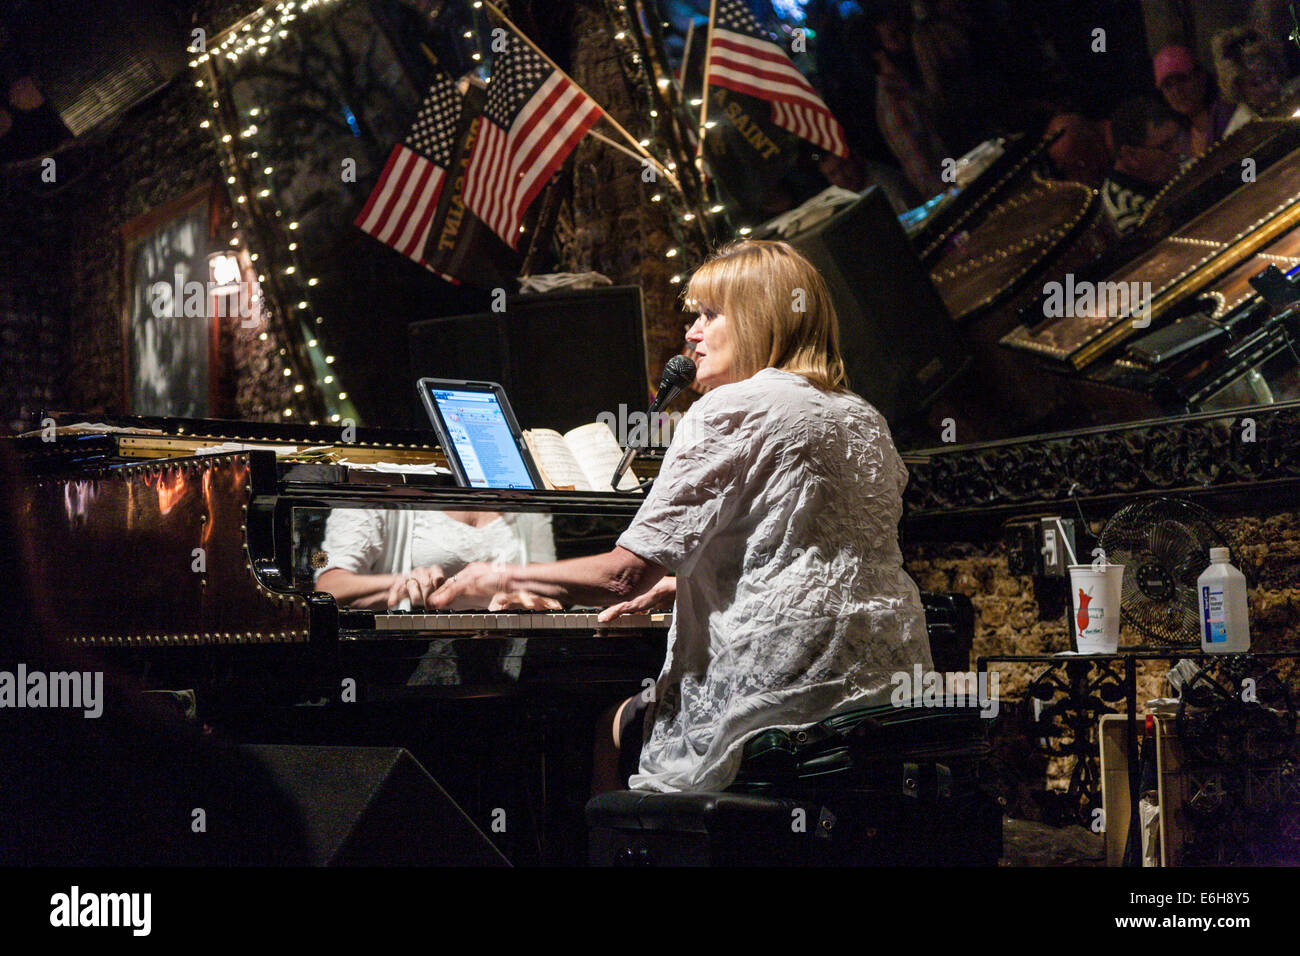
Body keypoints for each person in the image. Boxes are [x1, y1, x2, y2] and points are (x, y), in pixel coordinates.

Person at [426, 240, 934, 794]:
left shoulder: (733, 406)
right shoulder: (863, 417)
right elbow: (802, 546)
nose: (690, 333)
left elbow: (620, 576)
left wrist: (498, 575)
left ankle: (633, 842)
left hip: (783, 692)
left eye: (709, 315)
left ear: (763, 318)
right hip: (884, 686)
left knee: (609, 726)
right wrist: (684, 579)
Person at [315, 508, 558, 610]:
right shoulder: (377, 494)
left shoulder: (529, 504)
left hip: (509, 646)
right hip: (406, 652)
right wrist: (403, 582)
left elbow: (546, 584)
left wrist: (528, 598)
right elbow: (329, 588)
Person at [1101, 96, 1183, 238]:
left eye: (1177, 139)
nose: (1177, 151)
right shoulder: (1122, 212)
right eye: (1165, 146)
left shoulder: (1172, 167)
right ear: (1130, 155)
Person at [1212, 26, 1298, 138]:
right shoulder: (1238, 134)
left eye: (1269, 76)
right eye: (1256, 84)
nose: (1268, 88)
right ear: (1239, 89)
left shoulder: (1297, 92)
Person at [1153, 44, 1231, 161]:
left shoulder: (1228, 115)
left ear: (1201, 77)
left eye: (1182, 79)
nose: (1177, 91)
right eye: (1168, 86)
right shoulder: (1182, 139)